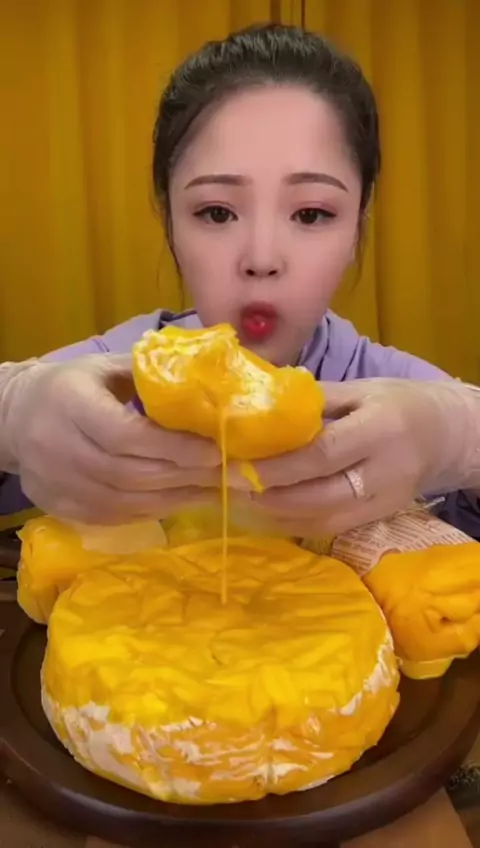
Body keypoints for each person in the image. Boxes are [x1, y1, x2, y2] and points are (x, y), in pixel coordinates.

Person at [1, 23, 480, 538]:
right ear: (170, 220)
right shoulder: (109, 380)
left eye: (312, 214)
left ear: (357, 226)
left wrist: (458, 438)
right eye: (217, 212)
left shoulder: (397, 398)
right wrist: (12, 416)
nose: (261, 258)